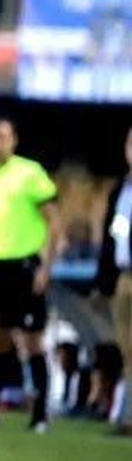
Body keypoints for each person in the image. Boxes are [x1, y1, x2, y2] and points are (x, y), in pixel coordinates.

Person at [0, 117, 59, 432]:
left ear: (14, 140)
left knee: (32, 341)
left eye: (2, 136)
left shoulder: (30, 173)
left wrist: (46, 267)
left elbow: (54, 222)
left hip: (26, 265)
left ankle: (41, 414)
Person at [94, 125, 132, 436]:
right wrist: (104, 280)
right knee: (127, 350)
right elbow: (112, 239)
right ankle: (128, 417)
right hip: (125, 278)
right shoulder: (121, 189)